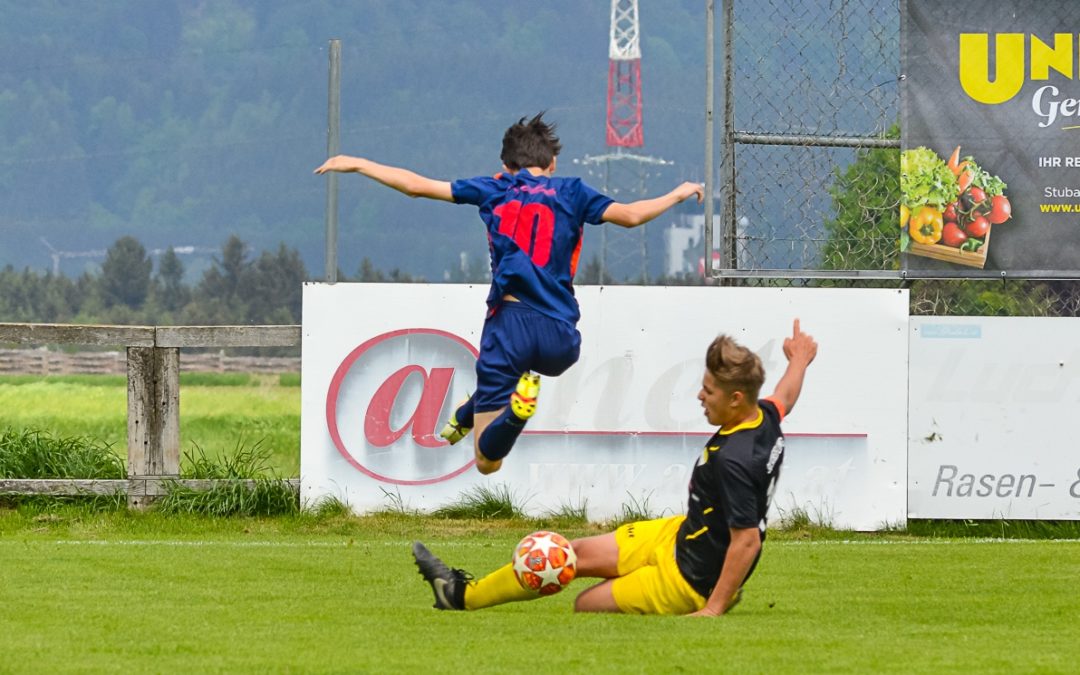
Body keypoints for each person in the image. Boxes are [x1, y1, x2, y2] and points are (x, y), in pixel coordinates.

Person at [315, 113, 704, 475]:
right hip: (561, 338)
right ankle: (472, 410)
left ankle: (512, 414)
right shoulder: (572, 191)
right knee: (530, 372)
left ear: (506, 165)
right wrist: (679, 193)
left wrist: (358, 164)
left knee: (487, 459)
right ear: (552, 165)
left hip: (510, 324)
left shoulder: (495, 187)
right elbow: (633, 216)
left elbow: (417, 187)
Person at [411, 319, 817, 616]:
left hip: (688, 579)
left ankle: (715, 596)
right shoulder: (761, 416)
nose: (699, 395)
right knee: (565, 557)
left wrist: (713, 608)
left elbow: (747, 541)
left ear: (735, 399)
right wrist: (799, 360)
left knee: (586, 605)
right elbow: (785, 396)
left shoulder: (735, 460)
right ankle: (460, 595)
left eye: (709, 391)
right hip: (677, 534)